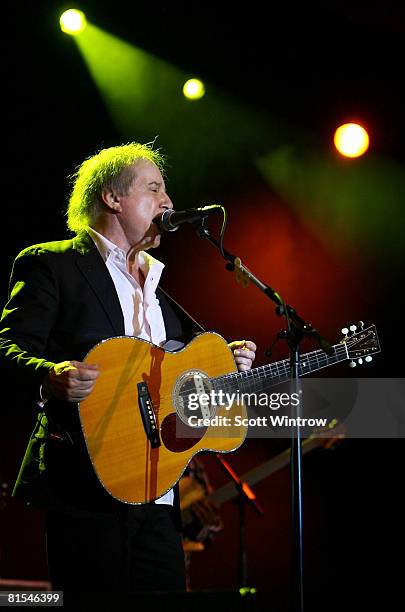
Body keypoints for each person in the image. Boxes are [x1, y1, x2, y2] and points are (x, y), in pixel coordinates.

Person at [0, 142, 256, 595]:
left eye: (167, 192)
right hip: (86, 487)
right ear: (112, 198)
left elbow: (179, 380)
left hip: (160, 498)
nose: (168, 203)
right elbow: (8, 349)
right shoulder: (53, 263)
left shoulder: (161, 291)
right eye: (154, 189)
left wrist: (226, 362)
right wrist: (49, 375)